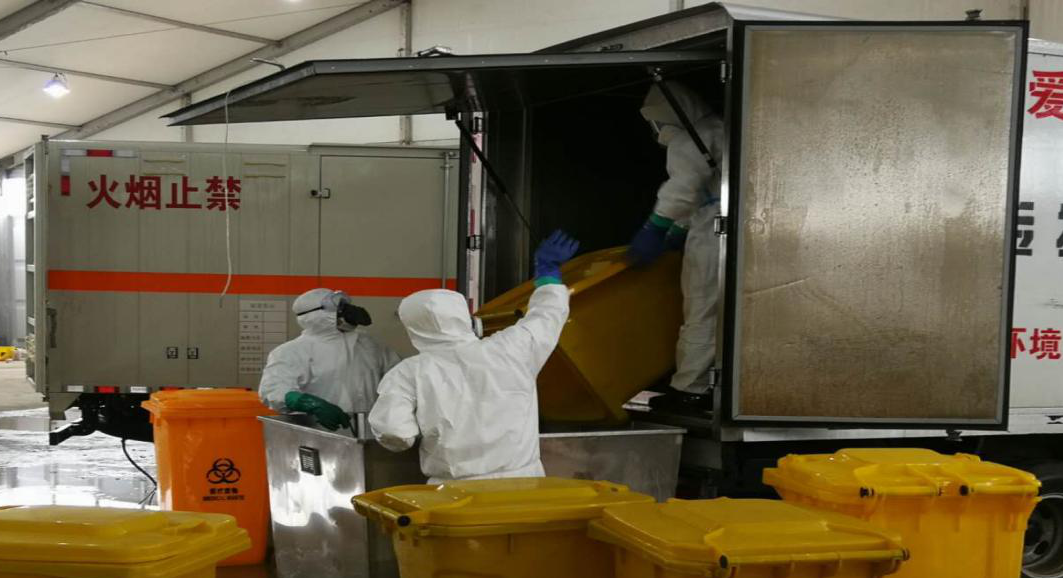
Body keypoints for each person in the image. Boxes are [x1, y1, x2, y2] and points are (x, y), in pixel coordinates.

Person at [369, 230, 580, 482]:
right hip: (523, 485)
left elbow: (394, 432)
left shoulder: (408, 373)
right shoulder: (511, 349)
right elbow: (548, 315)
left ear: (413, 328)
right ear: (465, 317)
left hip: (454, 492)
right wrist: (547, 273)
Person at [627, 81, 724, 408]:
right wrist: (679, 230)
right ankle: (713, 387)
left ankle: (692, 387)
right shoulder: (720, 129)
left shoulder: (691, 138)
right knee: (721, 312)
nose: (658, 129)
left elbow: (684, 188)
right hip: (723, 229)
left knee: (701, 308)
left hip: (712, 236)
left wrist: (656, 227)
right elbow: (705, 195)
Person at [258, 288, 400, 430]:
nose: (347, 312)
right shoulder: (292, 351)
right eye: (339, 308)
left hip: (371, 430)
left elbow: (398, 377)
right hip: (319, 430)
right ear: (315, 315)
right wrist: (311, 404)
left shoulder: (369, 345)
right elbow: (273, 390)